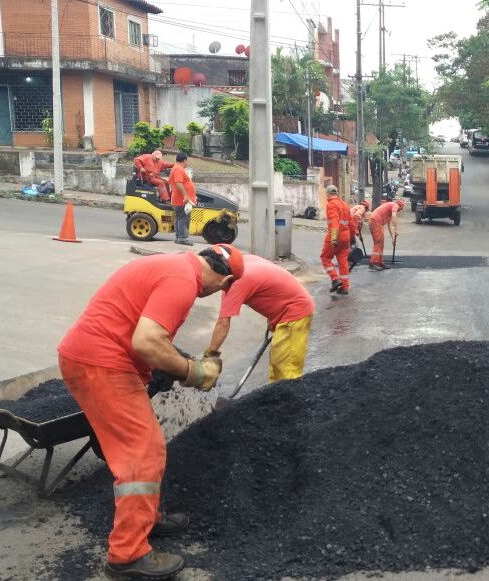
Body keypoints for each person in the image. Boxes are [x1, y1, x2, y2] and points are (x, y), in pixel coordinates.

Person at [57, 244, 245, 579]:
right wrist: (194, 372)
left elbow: (144, 334)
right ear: (226, 281)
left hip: (96, 357)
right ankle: (126, 554)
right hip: (102, 363)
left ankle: (146, 519)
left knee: (146, 447)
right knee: (142, 453)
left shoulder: (174, 266)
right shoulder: (183, 281)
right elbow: (147, 341)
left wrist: (171, 365)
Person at [205, 254, 315, 381]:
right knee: (277, 365)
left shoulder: (238, 282)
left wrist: (210, 355)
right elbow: (270, 284)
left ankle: (289, 394)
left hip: (295, 312)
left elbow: (223, 323)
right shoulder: (239, 263)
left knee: (286, 369)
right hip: (286, 310)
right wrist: (274, 314)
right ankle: (275, 392)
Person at [320, 185, 354, 295]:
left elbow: (334, 223)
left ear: (328, 193)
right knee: (343, 261)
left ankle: (335, 279)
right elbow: (351, 223)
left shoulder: (331, 205)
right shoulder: (344, 204)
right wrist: (352, 238)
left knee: (325, 258)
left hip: (336, 235)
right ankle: (345, 287)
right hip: (346, 236)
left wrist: (334, 239)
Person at [168, 152, 198, 246]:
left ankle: (179, 237)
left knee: (179, 218)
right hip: (181, 200)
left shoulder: (176, 168)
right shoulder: (178, 169)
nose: (187, 163)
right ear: (184, 160)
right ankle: (182, 238)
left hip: (179, 199)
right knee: (183, 219)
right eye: (186, 161)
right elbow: (178, 183)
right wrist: (185, 195)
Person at [368, 199, 405, 271]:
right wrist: (396, 229)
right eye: (402, 208)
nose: (401, 210)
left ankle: (379, 262)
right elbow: (394, 217)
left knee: (381, 243)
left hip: (377, 223)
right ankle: (373, 262)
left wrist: (393, 239)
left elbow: (390, 226)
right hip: (376, 222)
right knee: (378, 243)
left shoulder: (389, 211)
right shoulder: (395, 205)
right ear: (400, 205)